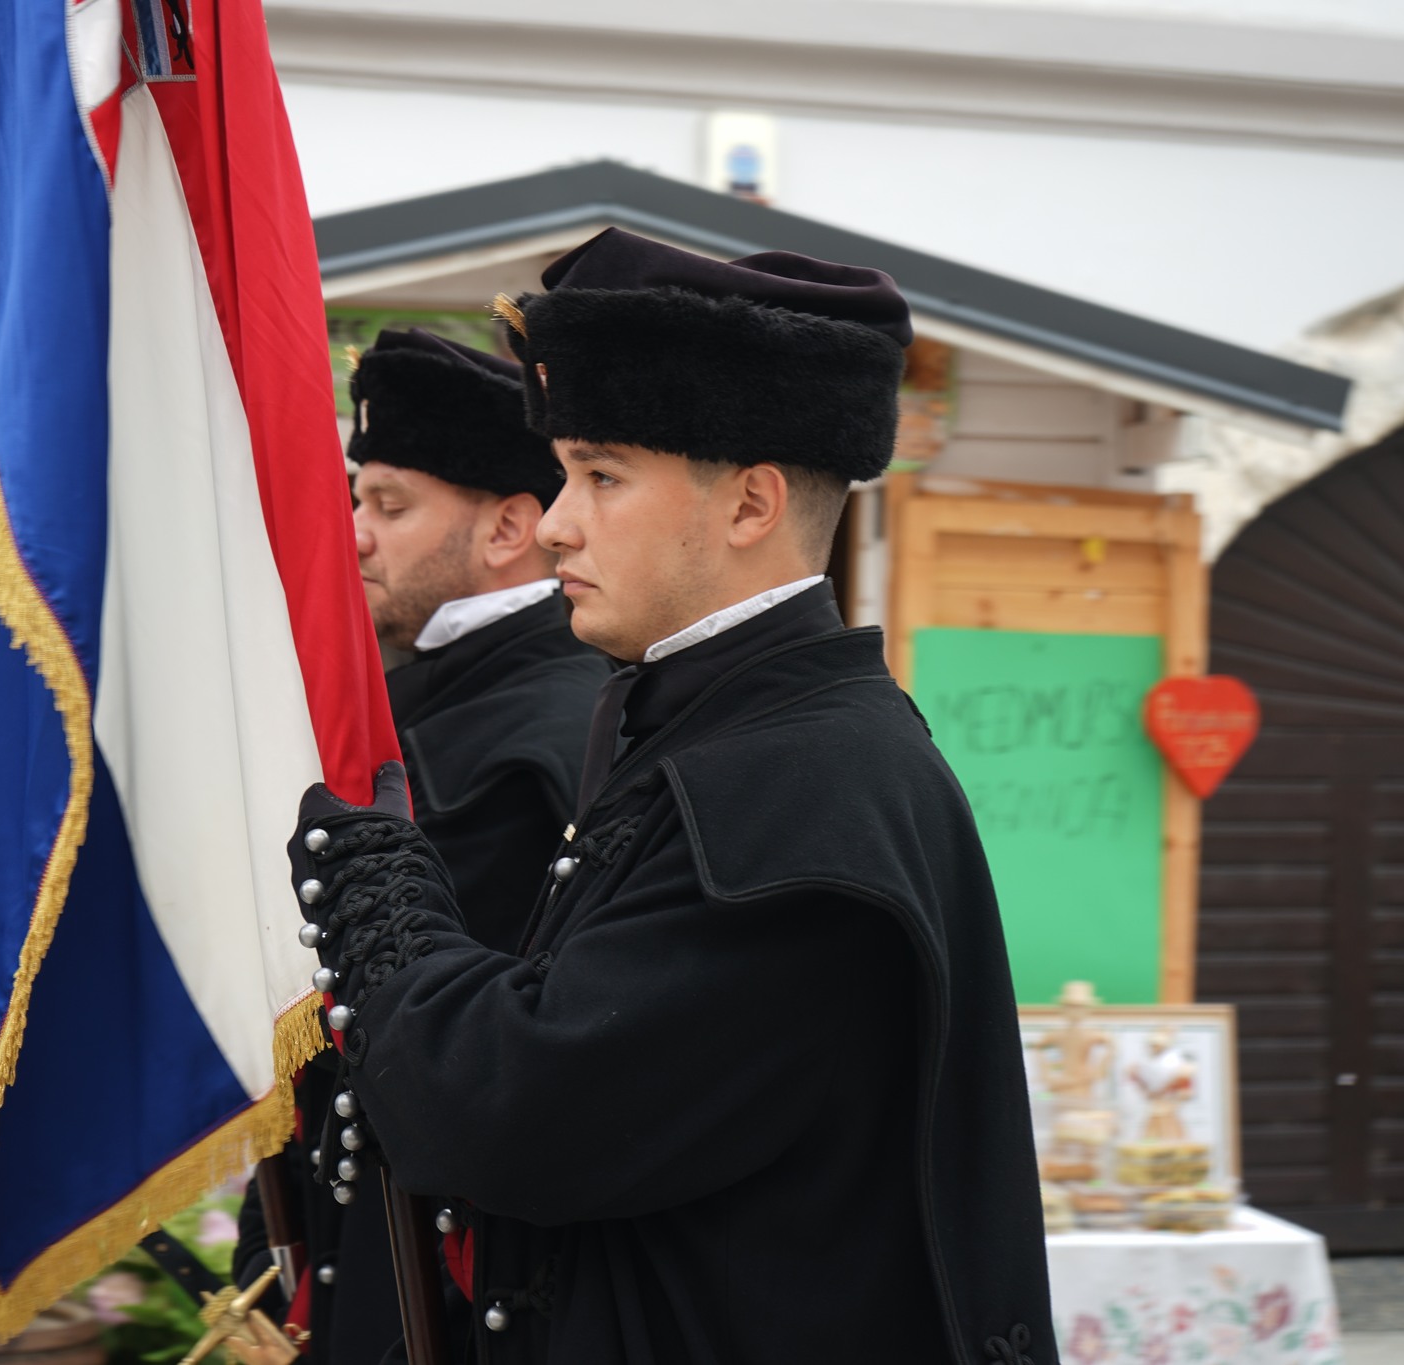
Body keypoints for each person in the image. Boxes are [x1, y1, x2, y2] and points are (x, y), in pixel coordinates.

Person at [285, 230, 1058, 1365]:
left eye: (599, 476)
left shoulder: (797, 784)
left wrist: (389, 899)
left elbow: (517, 1116)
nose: (554, 522)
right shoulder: (724, 730)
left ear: (748, 504)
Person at [235, 327, 609, 1364]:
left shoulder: (544, 735)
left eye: (389, 505)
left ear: (506, 529)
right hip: (358, 1255)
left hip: (443, 1294)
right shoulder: (426, 703)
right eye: (358, 500)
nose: (354, 533)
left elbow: (445, 1066)